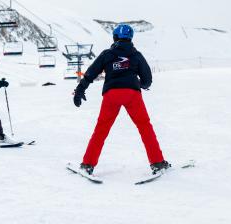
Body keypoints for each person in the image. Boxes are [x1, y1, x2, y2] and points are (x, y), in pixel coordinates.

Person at [73, 24, 170, 175]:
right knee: (145, 127)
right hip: (132, 94)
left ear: (115, 37)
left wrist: (80, 90)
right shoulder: (136, 55)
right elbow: (147, 80)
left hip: (111, 95)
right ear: (130, 38)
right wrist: (140, 84)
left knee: (101, 130)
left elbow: (91, 73)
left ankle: (87, 165)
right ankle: (157, 162)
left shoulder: (107, 54)